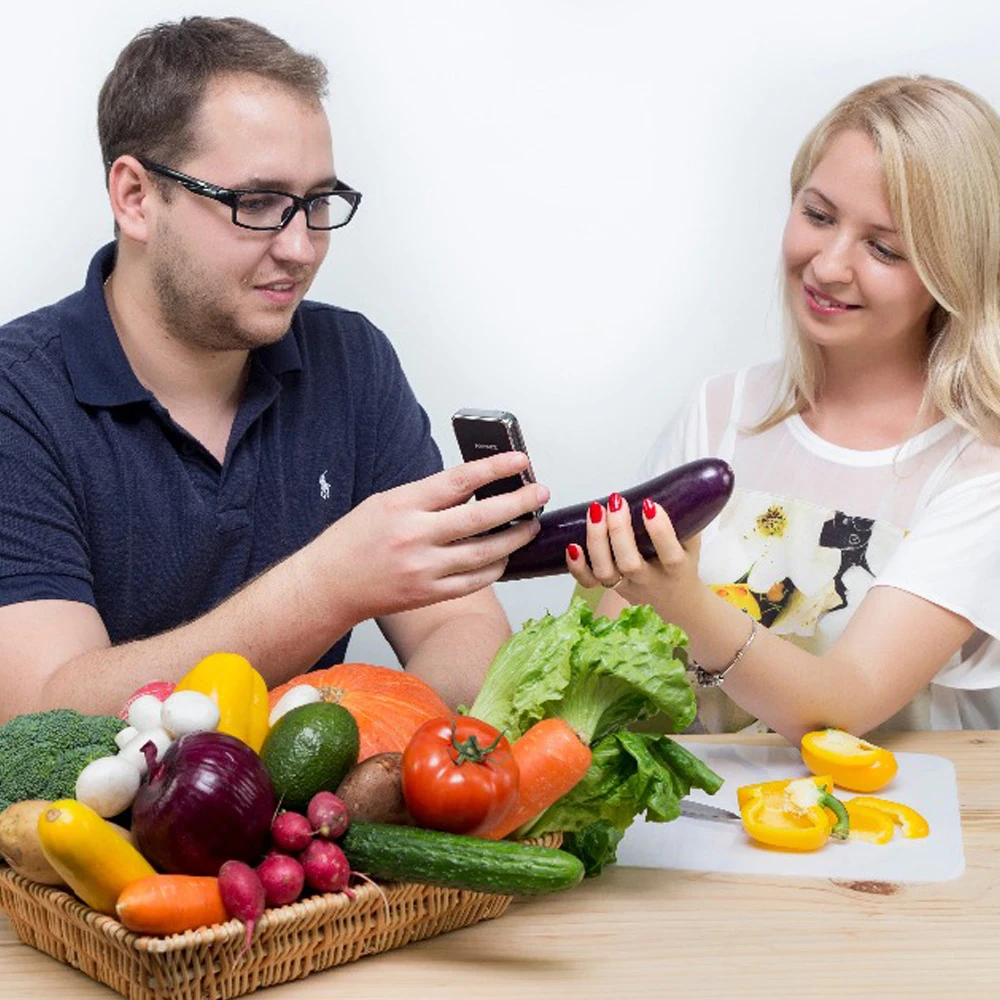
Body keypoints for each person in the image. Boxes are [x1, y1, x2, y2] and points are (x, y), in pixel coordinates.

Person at [0, 16, 549, 723]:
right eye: (256, 203)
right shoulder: (18, 395)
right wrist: (326, 586)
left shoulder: (352, 360)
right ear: (135, 197)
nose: (301, 248)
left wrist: (366, 756)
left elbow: (461, 626)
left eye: (317, 203)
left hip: (316, 795)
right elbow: (41, 713)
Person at [568, 75, 1000, 741]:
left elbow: (846, 705)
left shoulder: (980, 472)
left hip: (893, 808)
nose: (828, 266)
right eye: (818, 216)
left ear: (954, 271)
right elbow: (605, 669)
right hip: (705, 809)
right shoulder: (719, 413)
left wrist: (683, 603)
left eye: (884, 248)